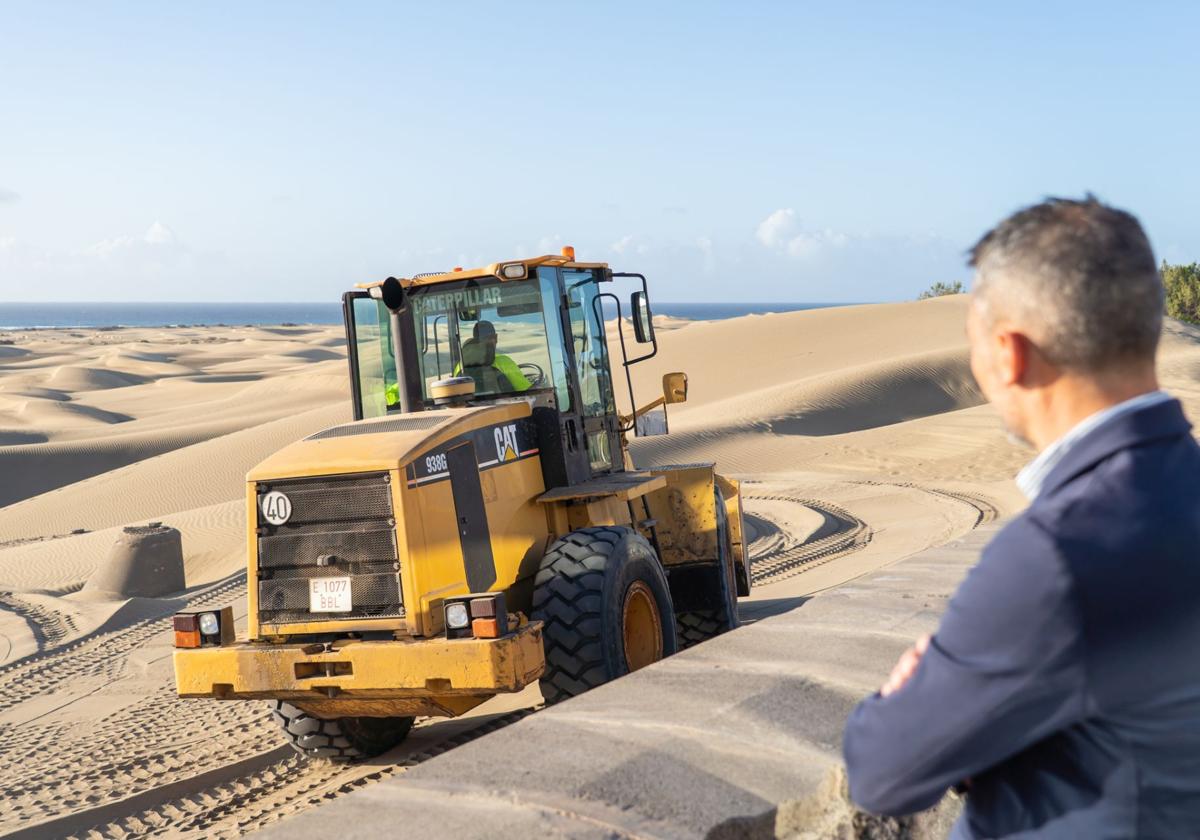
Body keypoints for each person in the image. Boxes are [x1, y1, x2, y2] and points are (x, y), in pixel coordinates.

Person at [842, 197, 1200, 838]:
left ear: (1009, 354)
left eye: (972, 346)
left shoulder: (1059, 553)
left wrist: (908, 693)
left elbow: (883, 770)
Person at [455, 320, 531, 393]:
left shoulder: (460, 366)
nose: (493, 341)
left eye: (493, 337)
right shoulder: (503, 362)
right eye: (491, 338)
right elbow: (526, 390)